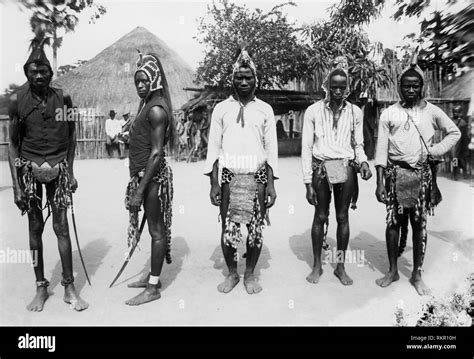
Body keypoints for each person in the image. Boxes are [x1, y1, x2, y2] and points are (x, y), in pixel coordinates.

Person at [7, 38, 88, 311]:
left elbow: (72, 134)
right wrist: (17, 186)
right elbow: (13, 144)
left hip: (58, 168)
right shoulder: (17, 99)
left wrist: (71, 171)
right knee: (35, 228)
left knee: (61, 227)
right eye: (33, 71)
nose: (39, 75)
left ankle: (68, 285)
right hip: (29, 169)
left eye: (43, 71)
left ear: (51, 74)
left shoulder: (62, 97)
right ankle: (41, 287)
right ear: (27, 73)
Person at [374, 51, 460, 296]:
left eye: (415, 85)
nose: (410, 90)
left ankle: (417, 274)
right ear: (399, 87)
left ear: (422, 87)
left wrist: (435, 150)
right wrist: (380, 183)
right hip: (396, 175)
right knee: (393, 224)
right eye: (406, 86)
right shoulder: (389, 113)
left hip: (422, 176)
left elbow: (454, 133)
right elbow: (381, 150)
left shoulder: (432, 111)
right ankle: (392, 271)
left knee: (419, 224)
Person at [204, 44, 278, 295]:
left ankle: (250, 275)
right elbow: (213, 148)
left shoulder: (265, 109)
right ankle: (232, 274)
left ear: (256, 80)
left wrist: (271, 184)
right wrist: (214, 183)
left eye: (248, 77)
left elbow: (271, 151)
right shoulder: (221, 109)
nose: (244, 81)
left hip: (256, 177)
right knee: (228, 229)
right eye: (239, 77)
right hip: (228, 177)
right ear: (232, 80)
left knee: (255, 230)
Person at [301, 56, 372, 286]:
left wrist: (363, 162)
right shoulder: (312, 111)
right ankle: (317, 264)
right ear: (327, 87)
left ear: (347, 87)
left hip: (345, 167)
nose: (338, 91)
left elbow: (358, 144)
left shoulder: (355, 112)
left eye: (342, 86)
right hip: (321, 168)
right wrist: (306, 182)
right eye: (334, 87)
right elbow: (307, 148)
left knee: (343, 217)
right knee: (320, 216)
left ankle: (340, 267)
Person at [123, 51, 175, 306]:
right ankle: (152, 277)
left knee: (156, 230)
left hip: (152, 179)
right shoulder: (148, 105)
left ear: (154, 80)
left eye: (144, 81)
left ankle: (153, 286)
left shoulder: (156, 110)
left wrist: (139, 191)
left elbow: (156, 154)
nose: (140, 86)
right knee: (155, 228)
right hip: (146, 178)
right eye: (137, 82)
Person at [450, 105, 469, 180]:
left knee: (462, 159)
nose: (455, 114)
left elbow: (465, 137)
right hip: (454, 144)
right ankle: (455, 175)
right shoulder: (450, 121)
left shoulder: (463, 123)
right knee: (454, 159)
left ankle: (465, 173)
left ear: (460, 113)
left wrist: (465, 147)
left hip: (461, 144)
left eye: (457, 112)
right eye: (454, 112)